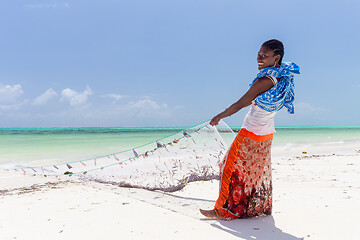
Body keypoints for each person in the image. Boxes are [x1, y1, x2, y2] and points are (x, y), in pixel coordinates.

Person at [200, 39, 300, 220]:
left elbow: (240, 104)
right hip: (267, 134)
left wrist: (219, 116)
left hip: (251, 132)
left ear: (276, 58)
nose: (259, 59)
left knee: (228, 168)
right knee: (252, 173)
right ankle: (254, 209)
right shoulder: (281, 78)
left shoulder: (264, 80)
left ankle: (221, 210)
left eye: (265, 56)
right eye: (258, 55)